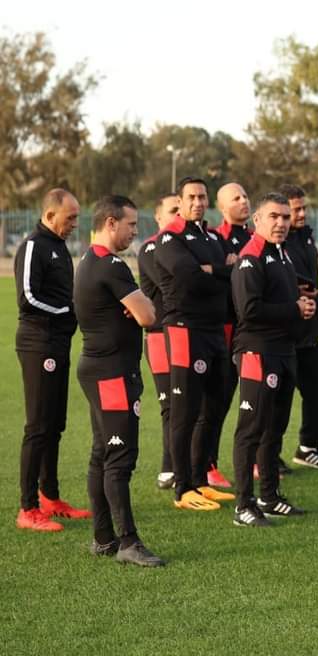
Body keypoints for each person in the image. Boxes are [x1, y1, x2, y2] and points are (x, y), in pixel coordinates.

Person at [75, 195, 164, 566]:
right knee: (119, 458)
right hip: (111, 374)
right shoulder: (111, 266)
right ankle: (127, 542)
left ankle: (103, 538)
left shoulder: (86, 260)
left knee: (102, 453)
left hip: (98, 369)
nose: (135, 231)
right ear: (110, 223)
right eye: (130, 224)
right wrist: (140, 309)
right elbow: (148, 316)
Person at [230, 192, 316, 526]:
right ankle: (243, 505)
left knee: (274, 429)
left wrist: (304, 308)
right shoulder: (250, 257)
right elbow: (249, 311)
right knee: (250, 430)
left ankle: (269, 495)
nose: (281, 223)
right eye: (274, 217)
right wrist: (293, 309)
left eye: (284, 217)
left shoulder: (281, 255)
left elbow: (286, 301)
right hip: (256, 352)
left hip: (283, 351)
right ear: (258, 221)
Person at [154, 176, 236, 510]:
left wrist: (211, 270)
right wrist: (220, 271)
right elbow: (187, 277)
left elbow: (236, 270)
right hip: (185, 330)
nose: (198, 202)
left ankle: (201, 479)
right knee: (185, 412)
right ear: (182, 200)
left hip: (216, 330)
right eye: (191, 197)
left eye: (202, 197)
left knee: (213, 408)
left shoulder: (213, 236)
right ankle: (182, 487)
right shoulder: (170, 238)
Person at [14, 188, 91, 531]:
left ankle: (51, 496)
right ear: (49, 215)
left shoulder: (60, 246)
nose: (75, 223)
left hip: (58, 343)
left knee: (55, 424)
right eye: (70, 217)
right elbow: (28, 298)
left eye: (77, 216)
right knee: (38, 426)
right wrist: (68, 311)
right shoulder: (34, 245)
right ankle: (27, 507)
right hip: (38, 342)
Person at [192, 182, 252, 489]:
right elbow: (214, 272)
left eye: (245, 196)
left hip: (251, 330)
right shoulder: (218, 237)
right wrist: (225, 267)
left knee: (249, 399)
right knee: (216, 401)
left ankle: (255, 459)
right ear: (222, 206)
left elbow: (243, 271)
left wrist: (231, 266)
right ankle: (207, 465)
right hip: (224, 329)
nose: (244, 202)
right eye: (236, 198)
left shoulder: (255, 237)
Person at [281, 184, 318, 469]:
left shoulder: (306, 238)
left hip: (308, 329)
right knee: (281, 396)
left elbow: (311, 281)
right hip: (286, 330)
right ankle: (269, 455)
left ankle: (308, 447)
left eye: (303, 208)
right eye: (295, 209)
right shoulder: (278, 241)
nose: (301, 214)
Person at [137, 193, 181, 490]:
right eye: (173, 210)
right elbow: (175, 284)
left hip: (184, 334)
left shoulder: (185, 245)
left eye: (182, 209)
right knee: (170, 404)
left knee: (190, 404)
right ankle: (168, 467)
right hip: (158, 337)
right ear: (158, 216)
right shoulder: (151, 247)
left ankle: (191, 464)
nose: (179, 214)